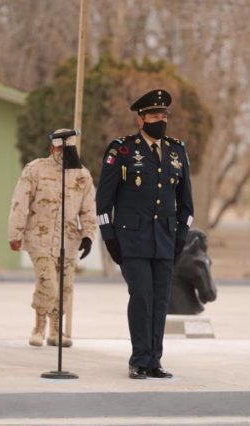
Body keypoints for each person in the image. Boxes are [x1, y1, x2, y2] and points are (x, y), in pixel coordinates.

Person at [96, 89, 194, 379]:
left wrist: (181, 236)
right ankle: (139, 359)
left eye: (163, 115)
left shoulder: (177, 151)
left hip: (165, 239)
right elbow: (103, 203)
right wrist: (110, 239)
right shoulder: (122, 150)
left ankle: (154, 360)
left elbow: (187, 204)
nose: (160, 120)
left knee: (161, 299)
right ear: (141, 119)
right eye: (154, 115)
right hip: (131, 240)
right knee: (142, 296)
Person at [8, 130, 96, 348]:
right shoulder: (35, 169)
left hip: (69, 240)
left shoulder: (82, 175)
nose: (63, 153)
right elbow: (20, 203)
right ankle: (38, 326)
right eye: (60, 149)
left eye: (67, 150)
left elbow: (88, 209)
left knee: (65, 287)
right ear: (52, 148)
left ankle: (56, 329)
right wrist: (15, 233)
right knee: (48, 283)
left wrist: (88, 235)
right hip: (39, 238)